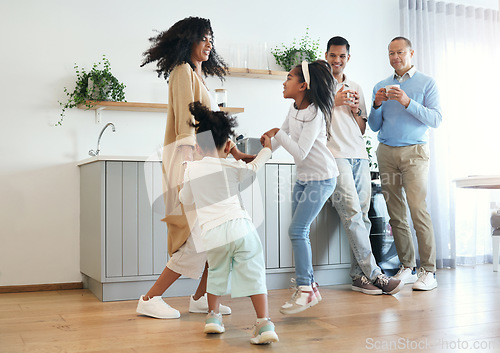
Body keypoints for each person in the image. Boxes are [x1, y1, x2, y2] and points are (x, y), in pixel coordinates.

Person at [136, 16, 254, 319]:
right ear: (188, 40)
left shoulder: (199, 77)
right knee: (197, 237)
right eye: (203, 37)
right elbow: (188, 121)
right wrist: (189, 166)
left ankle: (201, 297)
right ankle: (150, 298)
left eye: (211, 38)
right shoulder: (182, 73)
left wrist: (235, 152)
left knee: (218, 235)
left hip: (206, 164)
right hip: (190, 164)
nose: (208, 43)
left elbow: (211, 128)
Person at [179, 101, 279, 345]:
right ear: (226, 145)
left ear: (198, 148)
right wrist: (267, 149)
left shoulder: (191, 169)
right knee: (255, 275)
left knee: (216, 273)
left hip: (213, 234)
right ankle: (263, 322)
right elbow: (254, 166)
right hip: (242, 229)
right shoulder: (232, 165)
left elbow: (185, 199)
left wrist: (186, 167)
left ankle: (213, 317)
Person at [325, 36, 403, 295]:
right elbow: (310, 118)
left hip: (358, 155)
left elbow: (361, 129)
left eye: (342, 56)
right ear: (326, 56)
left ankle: (358, 277)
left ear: (348, 58)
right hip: (334, 156)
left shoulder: (355, 85)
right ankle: (375, 274)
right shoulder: (317, 85)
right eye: (333, 55)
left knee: (364, 217)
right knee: (351, 214)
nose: (337, 60)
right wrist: (333, 102)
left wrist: (357, 110)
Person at [261, 60, 337, 314]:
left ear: (303, 85)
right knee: (298, 232)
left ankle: (305, 289)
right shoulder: (294, 109)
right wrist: (255, 156)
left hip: (322, 177)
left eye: (289, 78)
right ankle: (310, 288)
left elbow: (301, 152)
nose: (284, 82)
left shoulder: (315, 113)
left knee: (297, 230)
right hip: (305, 178)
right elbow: (279, 140)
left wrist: (275, 133)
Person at [368, 37, 442, 291]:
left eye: (399, 52)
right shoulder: (381, 85)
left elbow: (435, 119)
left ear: (411, 53)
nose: (395, 57)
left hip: (415, 153)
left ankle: (429, 271)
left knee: (418, 210)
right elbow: (374, 125)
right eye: (391, 53)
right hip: (387, 152)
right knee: (395, 214)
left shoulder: (427, 83)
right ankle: (407, 267)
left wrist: (407, 102)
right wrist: (376, 104)